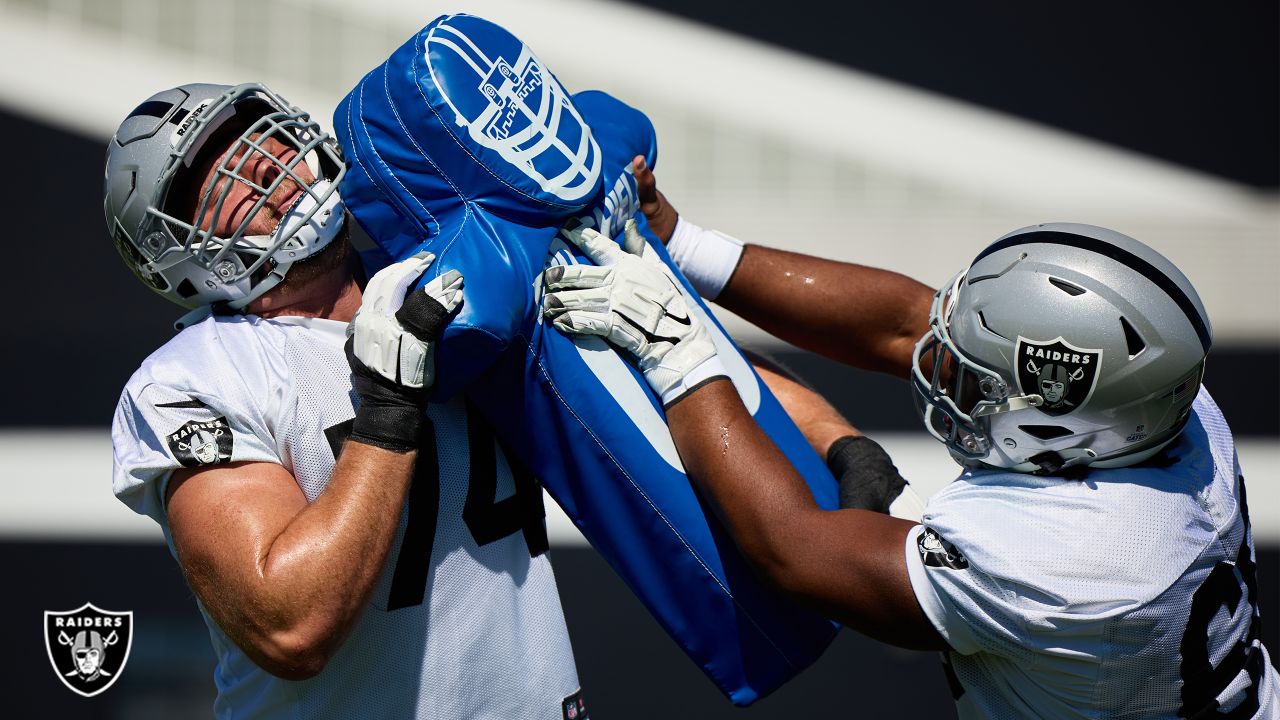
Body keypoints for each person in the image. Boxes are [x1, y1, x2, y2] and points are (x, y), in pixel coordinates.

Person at [539, 158, 1280, 718]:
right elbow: (905, 323)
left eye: (977, 383)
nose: (940, 368)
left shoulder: (1074, 564)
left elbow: (792, 550)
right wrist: (686, 245)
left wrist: (676, 350)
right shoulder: (1155, 405)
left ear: (1058, 428)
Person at [106, 82, 584, 719]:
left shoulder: (446, 265)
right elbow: (290, 625)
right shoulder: (192, 379)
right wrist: (387, 408)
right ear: (180, 250)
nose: (254, 165)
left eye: (255, 132)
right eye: (211, 171)